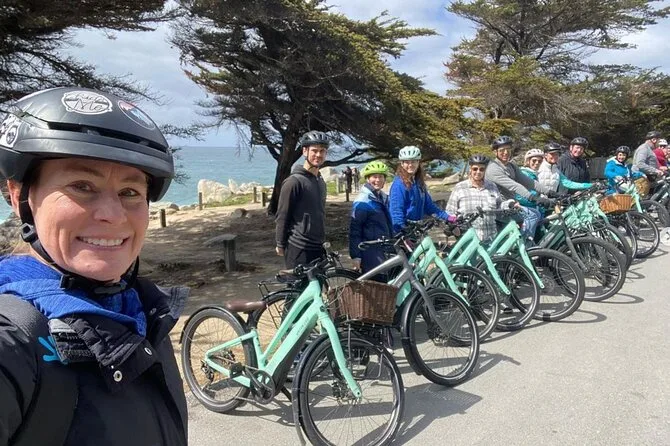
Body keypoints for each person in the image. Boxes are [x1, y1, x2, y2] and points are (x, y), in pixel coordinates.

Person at [0, 87, 187, 445]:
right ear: (19, 195)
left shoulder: (144, 315)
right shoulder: (13, 341)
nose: (112, 215)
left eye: (130, 192)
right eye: (82, 185)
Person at [275, 130, 328, 268]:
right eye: (314, 150)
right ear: (305, 151)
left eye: (322, 151)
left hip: (318, 246)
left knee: (319, 282)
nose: (318, 154)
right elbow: (282, 215)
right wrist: (280, 243)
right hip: (299, 247)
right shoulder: (294, 181)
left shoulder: (320, 181)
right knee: (296, 283)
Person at [484, 136, 552, 240]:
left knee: (535, 214)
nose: (506, 153)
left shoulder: (511, 165)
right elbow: (514, 186)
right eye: (502, 150)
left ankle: (521, 243)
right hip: (498, 207)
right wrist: (533, 197)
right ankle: (525, 244)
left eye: (508, 149)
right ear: (495, 152)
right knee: (533, 215)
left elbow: (528, 182)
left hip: (510, 206)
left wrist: (550, 192)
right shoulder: (493, 168)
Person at [446, 155, 515, 242]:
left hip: (491, 237)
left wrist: (510, 204)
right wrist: (455, 227)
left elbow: (499, 206)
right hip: (468, 239)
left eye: (481, 169)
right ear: (470, 169)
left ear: (485, 170)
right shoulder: (460, 187)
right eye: (475, 169)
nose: (478, 172)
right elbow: (450, 211)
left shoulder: (492, 186)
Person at [389, 145, 457, 233]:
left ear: (418, 162)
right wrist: (402, 233)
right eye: (407, 162)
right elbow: (396, 213)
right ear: (402, 164)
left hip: (417, 229)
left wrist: (448, 217)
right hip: (405, 231)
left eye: (413, 161)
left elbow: (429, 206)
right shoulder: (399, 185)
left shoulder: (418, 183)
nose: (410, 165)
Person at [349, 161, 393, 275]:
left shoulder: (382, 197)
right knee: (376, 282)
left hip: (383, 248)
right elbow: (355, 231)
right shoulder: (363, 201)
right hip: (370, 252)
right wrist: (356, 256)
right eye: (374, 177)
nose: (378, 180)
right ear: (368, 179)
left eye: (381, 177)